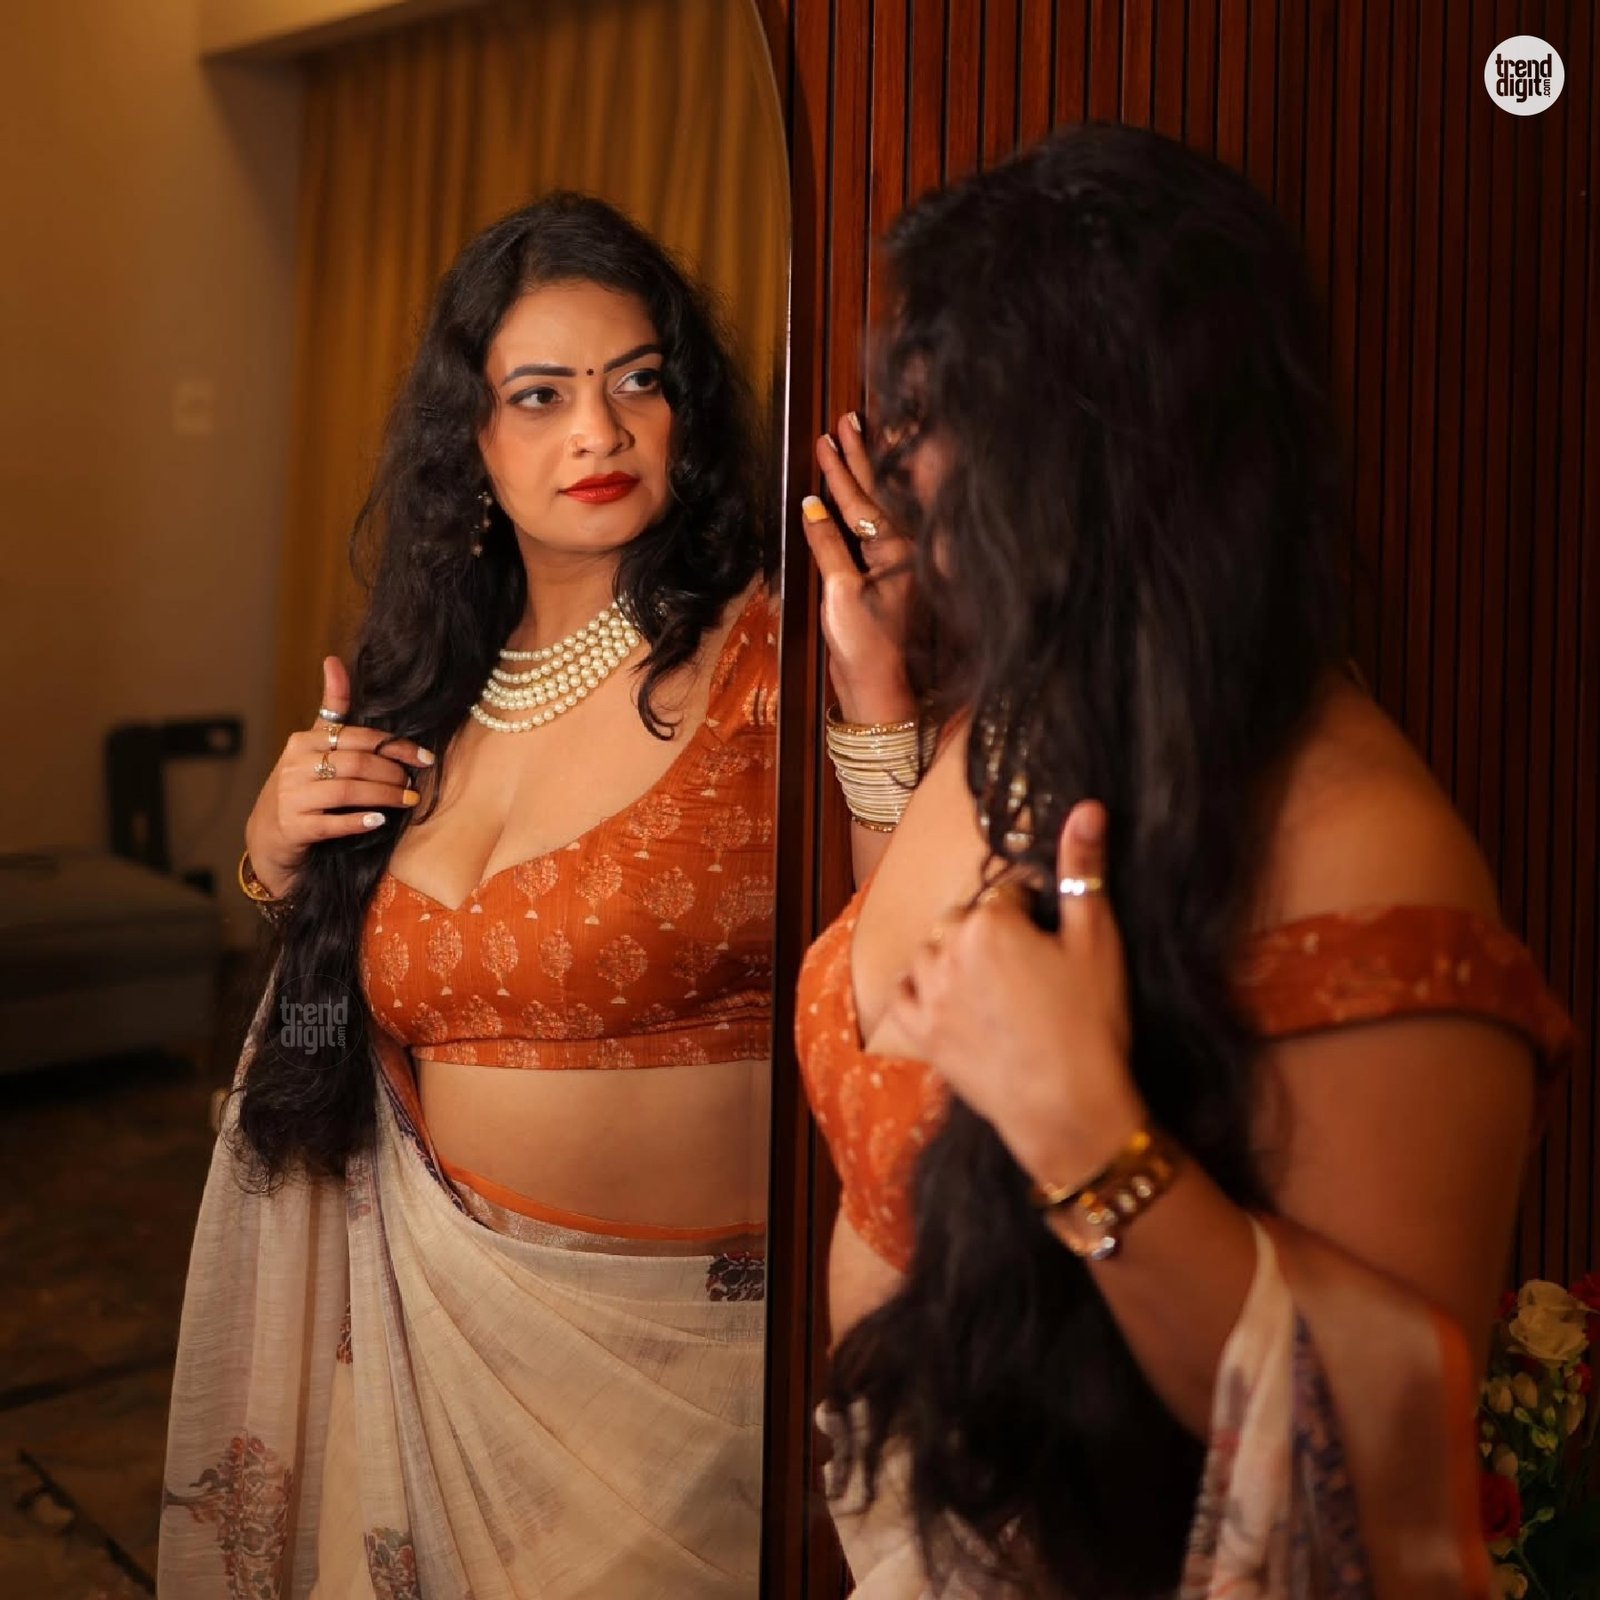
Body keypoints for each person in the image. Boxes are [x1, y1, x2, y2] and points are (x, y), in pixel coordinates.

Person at [798, 124, 1572, 1598]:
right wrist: (880, 700)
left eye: (947, 417)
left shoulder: (1365, 850)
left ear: (1107, 445)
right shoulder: (1018, 709)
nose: (906, 465)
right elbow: (940, 992)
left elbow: (1385, 1459)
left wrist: (1084, 1134)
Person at [160, 193, 777, 1597]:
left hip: (682, 1403)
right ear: (472, 443)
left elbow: (896, 966)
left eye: (638, 382)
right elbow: (328, 1035)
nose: (599, 432)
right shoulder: (427, 693)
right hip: (423, 1362)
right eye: (541, 395)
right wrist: (278, 866)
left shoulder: (769, 665)